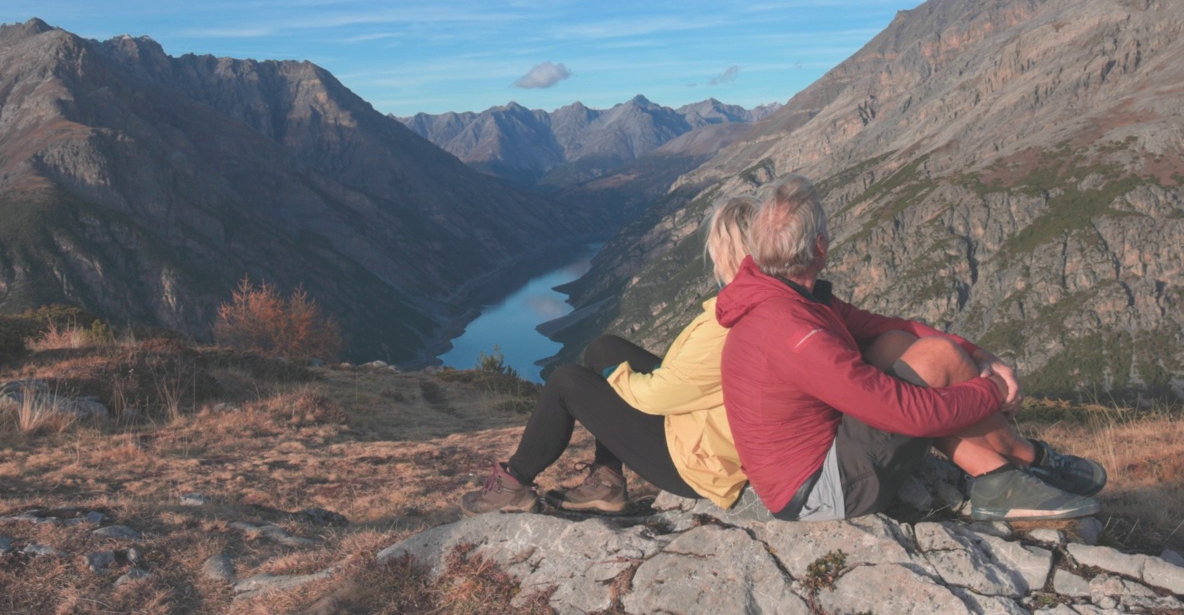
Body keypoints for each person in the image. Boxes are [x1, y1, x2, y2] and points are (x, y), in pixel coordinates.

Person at [719, 174, 1106, 522]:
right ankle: (1023, 460)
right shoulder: (792, 330)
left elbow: (890, 328)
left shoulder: (784, 299)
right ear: (820, 246)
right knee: (935, 360)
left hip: (816, 464)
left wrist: (981, 357)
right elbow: (907, 414)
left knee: (895, 344)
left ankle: (1002, 474)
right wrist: (990, 390)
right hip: (820, 490)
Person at [461, 196, 759, 516]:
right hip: (704, 429)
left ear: (729, 252)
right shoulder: (760, 300)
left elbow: (659, 397)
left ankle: (513, 485)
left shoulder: (731, 321)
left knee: (565, 382)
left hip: (698, 464)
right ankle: (607, 481)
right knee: (604, 348)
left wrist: (617, 377)